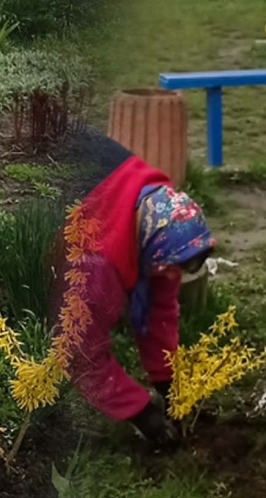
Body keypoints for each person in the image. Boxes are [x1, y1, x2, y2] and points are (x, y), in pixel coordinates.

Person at [49, 133, 215, 448]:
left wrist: (169, 383)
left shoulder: (157, 217)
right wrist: (141, 413)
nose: (173, 276)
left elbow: (159, 313)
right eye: (171, 268)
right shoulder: (94, 266)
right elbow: (80, 353)